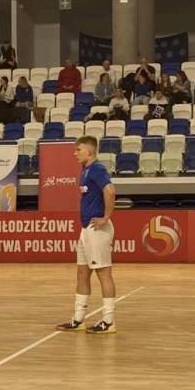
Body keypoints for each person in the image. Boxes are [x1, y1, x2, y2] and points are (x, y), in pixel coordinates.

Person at [57, 136, 117, 335]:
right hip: (86, 229)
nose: (75, 153)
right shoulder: (85, 171)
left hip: (97, 229)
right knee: (82, 273)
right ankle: (78, 319)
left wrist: (106, 217)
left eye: (78, 150)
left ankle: (109, 321)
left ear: (89, 152)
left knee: (103, 273)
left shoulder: (97, 168)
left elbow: (110, 191)